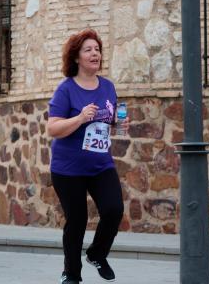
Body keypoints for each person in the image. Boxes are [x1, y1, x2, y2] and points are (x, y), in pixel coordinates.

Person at [47, 28, 128, 284]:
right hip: (68, 168)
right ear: (76, 58)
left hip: (100, 164)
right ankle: (71, 274)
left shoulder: (108, 87)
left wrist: (119, 123)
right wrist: (80, 117)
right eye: (88, 50)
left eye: (97, 49)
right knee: (78, 220)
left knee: (113, 209)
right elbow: (52, 128)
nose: (95, 53)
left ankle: (96, 253)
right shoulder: (66, 90)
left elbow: (109, 120)